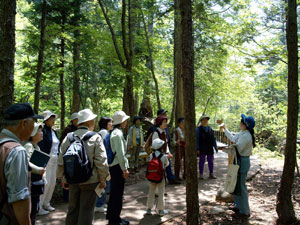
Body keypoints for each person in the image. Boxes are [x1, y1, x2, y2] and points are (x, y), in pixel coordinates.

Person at [58, 109, 109, 225]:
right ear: (89, 121)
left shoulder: (68, 137)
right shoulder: (95, 137)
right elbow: (101, 161)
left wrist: (63, 178)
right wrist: (103, 179)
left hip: (72, 180)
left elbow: (61, 160)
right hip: (90, 180)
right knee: (86, 210)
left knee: (72, 210)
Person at [0, 103, 42, 225]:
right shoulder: (16, 151)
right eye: (33, 122)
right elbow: (19, 198)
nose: (35, 126)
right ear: (24, 123)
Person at [221, 114, 256, 218]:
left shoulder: (246, 136)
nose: (240, 123)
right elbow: (232, 138)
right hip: (238, 159)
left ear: (245, 125)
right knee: (236, 183)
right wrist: (225, 128)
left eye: (242, 122)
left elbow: (237, 149)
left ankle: (245, 211)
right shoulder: (242, 133)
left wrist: (224, 149)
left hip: (243, 161)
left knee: (241, 185)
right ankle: (238, 205)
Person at [106, 111, 130, 225]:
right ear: (121, 122)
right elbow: (120, 153)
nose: (126, 122)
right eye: (125, 120)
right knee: (117, 194)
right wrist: (125, 169)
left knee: (114, 193)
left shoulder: (113, 132)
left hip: (114, 167)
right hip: (117, 167)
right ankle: (115, 220)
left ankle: (112, 217)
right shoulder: (118, 134)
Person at [37, 110, 60, 215]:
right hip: (47, 158)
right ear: (46, 120)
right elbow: (41, 147)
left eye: (53, 118)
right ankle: (39, 206)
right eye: (51, 118)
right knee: (45, 182)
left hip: (55, 158)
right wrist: (41, 162)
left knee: (52, 182)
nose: (53, 120)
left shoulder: (54, 132)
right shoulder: (43, 131)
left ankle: (47, 203)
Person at [24, 123, 46, 225]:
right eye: (39, 131)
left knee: (35, 209)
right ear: (32, 134)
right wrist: (39, 170)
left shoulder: (36, 146)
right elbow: (26, 162)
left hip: (36, 182)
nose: (42, 133)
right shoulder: (28, 145)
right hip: (31, 183)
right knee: (31, 210)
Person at [156, 109, 180, 184]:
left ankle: (170, 179)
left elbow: (167, 138)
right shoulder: (155, 129)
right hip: (160, 151)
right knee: (161, 167)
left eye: (165, 114)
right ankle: (160, 182)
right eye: (163, 114)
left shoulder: (165, 126)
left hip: (166, 149)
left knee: (167, 164)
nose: (165, 115)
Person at [146, 139, 169, 216]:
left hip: (152, 177)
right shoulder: (164, 156)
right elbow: (167, 164)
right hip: (160, 177)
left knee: (151, 192)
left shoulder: (151, 155)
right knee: (161, 193)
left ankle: (148, 209)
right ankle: (161, 210)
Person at [59, 112, 79, 202]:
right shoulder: (68, 130)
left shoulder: (77, 129)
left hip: (75, 156)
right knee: (67, 175)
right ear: (73, 120)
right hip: (68, 156)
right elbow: (63, 143)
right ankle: (66, 196)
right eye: (77, 119)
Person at [95, 116, 113, 213]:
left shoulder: (102, 133)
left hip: (103, 161)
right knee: (103, 182)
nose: (111, 124)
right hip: (105, 162)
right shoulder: (104, 133)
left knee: (105, 182)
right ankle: (99, 204)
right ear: (106, 124)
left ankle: (101, 202)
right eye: (110, 122)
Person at [196, 115, 218, 179]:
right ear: (201, 121)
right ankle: (201, 174)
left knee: (211, 161)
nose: (205, 121)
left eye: (206, 120)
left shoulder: (210, 128)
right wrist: (197, 148)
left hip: (209, 147)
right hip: (202, 147)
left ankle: (211, 174)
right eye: (204, 120)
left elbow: (213, 138)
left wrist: (215, 147)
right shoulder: (198, 129)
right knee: (201, 161)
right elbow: (196, 139)